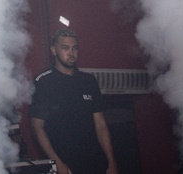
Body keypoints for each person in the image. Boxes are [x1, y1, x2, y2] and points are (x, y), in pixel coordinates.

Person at [28, 28, 118, 174]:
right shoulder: (43, 82)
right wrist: (57, 163)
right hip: (64, 163)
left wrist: (111, 161)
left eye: (75, 48)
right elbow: (37, 126)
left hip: (94, 161)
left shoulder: (88, 81)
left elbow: (100, 123)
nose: (71, 53)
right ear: (54, 50)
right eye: (65, 48)